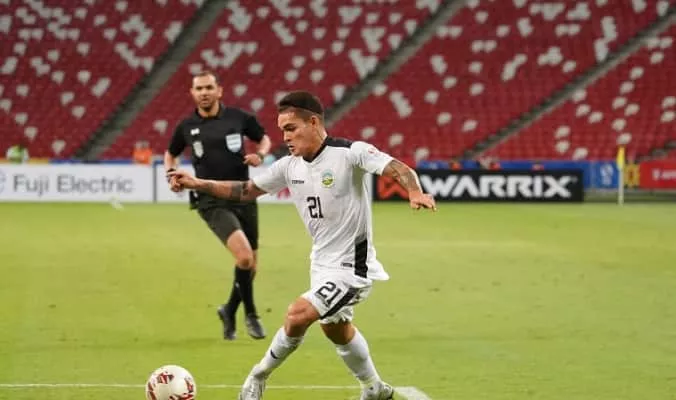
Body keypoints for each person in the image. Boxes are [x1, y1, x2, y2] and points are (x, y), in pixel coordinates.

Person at [169, 91, 437, 400]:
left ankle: (258, 376)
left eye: (291, 128)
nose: (285, 137)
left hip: (352, 267)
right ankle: (375, 387)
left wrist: (414, 191)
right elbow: (246, 191)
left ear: (313, 123)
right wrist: (198, 183)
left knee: (298, 314)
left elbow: (398, 168)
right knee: (335, 328)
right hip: (321, 264)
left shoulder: (350, 153)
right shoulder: (289, 166)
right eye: (282, 130)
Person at [164, 71, 271, 341]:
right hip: (210, 200)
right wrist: (170, 174)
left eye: (209, 87)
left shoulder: (239, 117)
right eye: (199, 88)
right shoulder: (187, 126)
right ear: (192, 93)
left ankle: (229, 310)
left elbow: (264, 139)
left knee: (251, 267)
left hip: (243, 195)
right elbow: (170, 153)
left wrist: (260, 155)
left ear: (219, 90)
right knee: (244, 258)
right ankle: (251, 314)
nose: (204, 92)